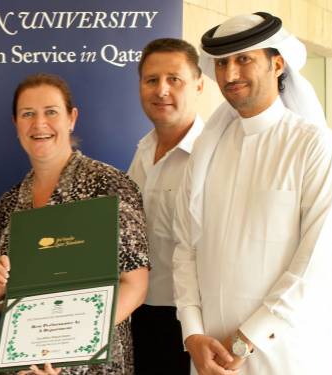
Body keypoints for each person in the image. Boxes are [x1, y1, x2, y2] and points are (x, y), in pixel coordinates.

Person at [172, 12, 332, 375]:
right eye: (221, 63)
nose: (230, 74)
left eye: (244, 59)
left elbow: (313, 262)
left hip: (285, 353)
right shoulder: (208, 149)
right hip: (209, 355)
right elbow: (185, 247)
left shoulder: (315, 146)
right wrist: (192, 333)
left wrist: (246, 340)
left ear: (277, 63)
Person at [0, 73, 150, 375]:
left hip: (94, 367)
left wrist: (64, 350)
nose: (39, 124)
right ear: (16, 124)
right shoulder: (9, 203)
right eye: (28, 114)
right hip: (27, 368)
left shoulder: (109, 186)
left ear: (71, 118)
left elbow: (135, 287)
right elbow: (13, 303)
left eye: (51, 112)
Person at [127, 38, 204, 375]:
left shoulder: (212, 156)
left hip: (190, 320)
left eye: (174, 79)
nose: (161, 90)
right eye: (151, 80)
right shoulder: (142, 151)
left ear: (199, 85)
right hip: (137, 311)